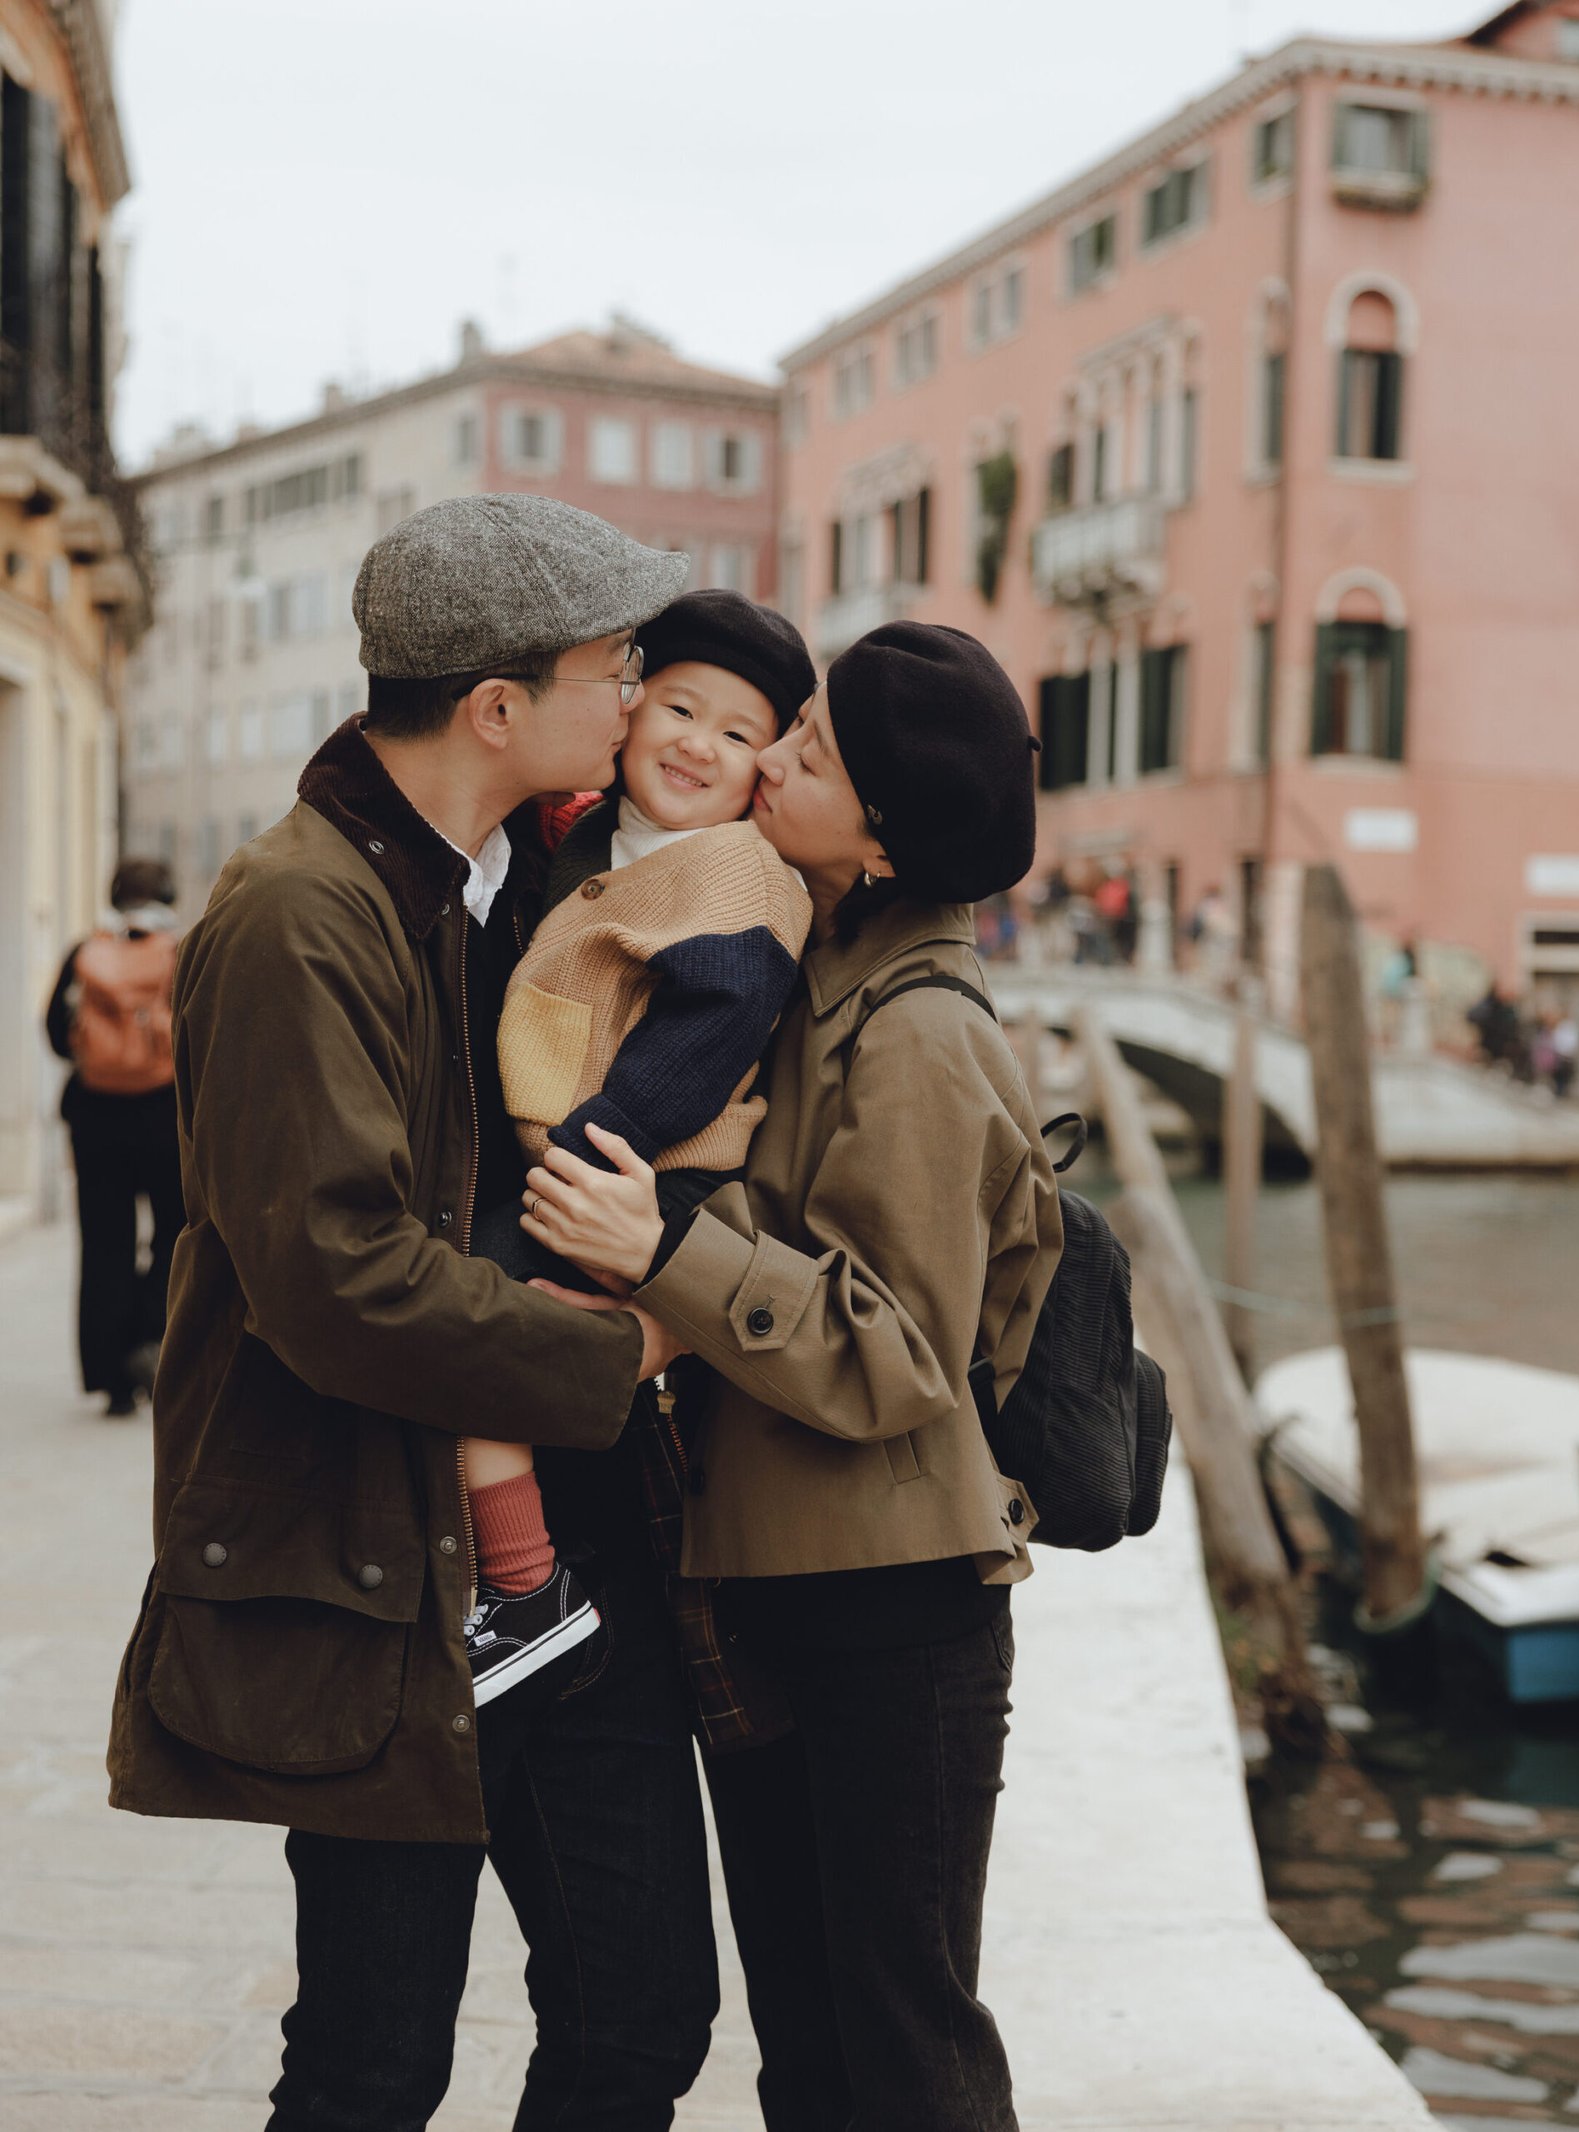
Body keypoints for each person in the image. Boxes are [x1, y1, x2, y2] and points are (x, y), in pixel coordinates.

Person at [107, 495, 721, 2132]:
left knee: (641, 2014)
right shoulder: (298, 912)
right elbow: (338, 1275)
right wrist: (621, 1351)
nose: (637, 693)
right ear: (498, 707)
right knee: (375, 2061)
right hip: (381, 1561)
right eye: (615, 666)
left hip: (564, 1550)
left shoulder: (503, 882)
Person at [526, 621, 1064, 2132]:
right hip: (768, 1588)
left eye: (811, 754)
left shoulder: (920, 1032)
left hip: (895, 1609)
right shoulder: (798, 963)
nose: (768, 758)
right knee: (810, 2052)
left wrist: (662, 1252)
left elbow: (900, 1349)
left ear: (880, 843)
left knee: (904, 2050)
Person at [456, 589, 813, 1712]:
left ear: (766, 768)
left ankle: (524, 1590)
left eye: (738, 733)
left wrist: (587, 1147)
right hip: (584, 1160)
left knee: (466, 1327)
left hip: (646, 1167)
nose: (698, 745)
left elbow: (705, 1037)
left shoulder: (739, 873)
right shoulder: (584, 837)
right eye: (679, 708)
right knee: (484, 1329)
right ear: (629, 707)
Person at [45, 856, 185, 1416]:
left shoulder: (85, 952)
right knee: (176, 1230)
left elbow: (57, 1035)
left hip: (96, 1116)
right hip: (164, 1115)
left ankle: (111, 1375)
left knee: (104, 1241)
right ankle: (151, 1336)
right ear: (167, 896)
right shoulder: (178, 951)